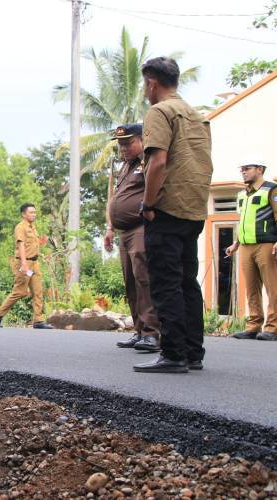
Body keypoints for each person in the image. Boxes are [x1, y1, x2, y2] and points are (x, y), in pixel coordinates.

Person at [133, 57, 213, 374]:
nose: (145, 90)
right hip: (194, 208)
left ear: (152, 82)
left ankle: (173, 354)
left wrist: (148, 204)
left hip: (166, 209)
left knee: (166, 284)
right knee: (187, 282)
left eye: (145, 84)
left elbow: (158, 162)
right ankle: (193, 352)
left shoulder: (160, 111)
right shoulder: (196, 115)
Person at [104, 124, 161, 351]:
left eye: (128, 143)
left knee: (143, 280)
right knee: (130, 282)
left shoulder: (149, 161)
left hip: (141, 227)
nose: (123, 148)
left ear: (141, 140)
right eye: (120, 144)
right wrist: (109, 228)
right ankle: (139, 330)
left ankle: (151, 333)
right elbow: (115, 197)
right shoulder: (126, 166)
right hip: (123, 232)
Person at [225, 161, 277, 341]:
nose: (243, 172)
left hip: (267, 245)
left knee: (273, 288)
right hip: (246, 246)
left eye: (247, 169)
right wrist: (236, 243)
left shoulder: (272, 189)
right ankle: (254, 326)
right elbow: (244, 221)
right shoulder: (243, 194)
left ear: (260, 169)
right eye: (242, 169)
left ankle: (272, 328)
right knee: (251, 289)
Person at [0, 203, 53, 329]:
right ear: (23, 214)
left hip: (34, 263)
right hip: (24, 263)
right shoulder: (20, 227)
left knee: (38, 291)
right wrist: (24, 263)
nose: (34, 214)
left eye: (35, 212)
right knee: (20, 291)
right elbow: (21, 245)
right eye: (31, 212)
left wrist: (40, 255)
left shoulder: (33, 227)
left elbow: (32, 245)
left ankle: (38, 320)